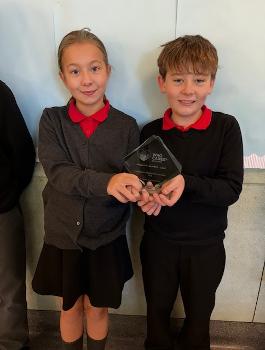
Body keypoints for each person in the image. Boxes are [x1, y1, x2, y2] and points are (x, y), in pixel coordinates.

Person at [32, 28, 142, 350]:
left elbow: (134, 179)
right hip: (63, 235)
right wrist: (108, 181)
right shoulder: (51, 121)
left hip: (106, 237)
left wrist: (147, 193)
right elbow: (59, 173)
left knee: (97, 307)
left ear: (108, 70)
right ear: (63, 77)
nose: (87, 79)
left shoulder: (126, 126)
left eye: (95, 68)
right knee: (70, 306)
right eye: (75, 71)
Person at [138, 35, 243, 350]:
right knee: (156, 314)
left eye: (198, 80)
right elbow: (146, 185)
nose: (188, 90)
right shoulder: (150, 132)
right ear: (162, 82)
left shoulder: (226, 128)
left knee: (199, 319)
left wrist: (187, 182)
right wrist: (145, 198)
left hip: (206, 247)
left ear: (211, 83)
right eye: (178, 80)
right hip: (158, 244)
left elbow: (231, 188)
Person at [0, 80, 35, 350]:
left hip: (2, 210)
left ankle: (13, 342)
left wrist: (8, 197)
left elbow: (22, 150)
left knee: (9, 286)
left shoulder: (0, 92)